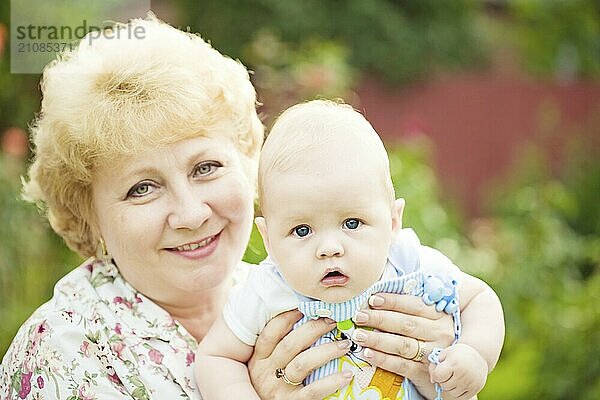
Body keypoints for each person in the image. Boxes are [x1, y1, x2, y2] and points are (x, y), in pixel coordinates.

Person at [0, 16, 484, 400]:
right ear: (89, 215)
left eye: (206, 167)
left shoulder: (284, 281)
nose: (190, 213)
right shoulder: (63, 351)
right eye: (142, 188)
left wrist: (436, 369)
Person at [196, 100, 505, 400]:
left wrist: (474, 353)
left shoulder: (409, 263)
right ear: (269, 241)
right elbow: (217, 358)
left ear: (393, 221)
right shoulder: (268, 289)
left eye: (352, 223)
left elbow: (478, 299)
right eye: (301, 230)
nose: (329, 248)